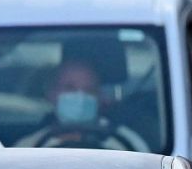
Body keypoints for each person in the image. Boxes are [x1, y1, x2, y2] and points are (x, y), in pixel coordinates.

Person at [14, 58, 149, 152]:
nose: (80, 96)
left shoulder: (126, 143)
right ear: (51, 93)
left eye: (90, 90)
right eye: (70, 88)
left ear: (100, 98)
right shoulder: (29, 147)